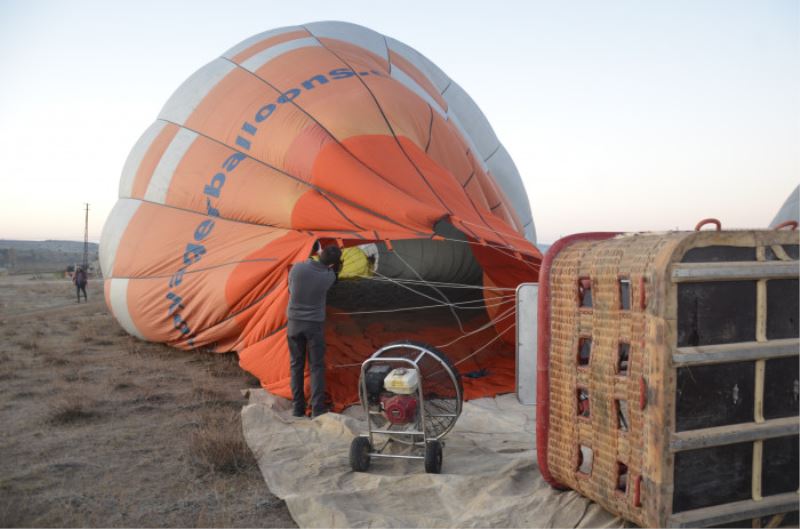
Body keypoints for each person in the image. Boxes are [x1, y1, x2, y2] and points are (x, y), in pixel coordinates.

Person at [287, 244, 342, 418]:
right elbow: (335, 276)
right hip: (314, 325)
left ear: (320, 254)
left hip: (294, 323)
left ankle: (298, 409)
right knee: (316, 367)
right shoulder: (329, 277)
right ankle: (317, 410)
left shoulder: (298, 267)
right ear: (334, 263)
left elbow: (290, 288)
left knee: (296, 365)